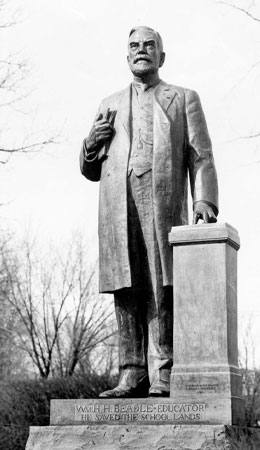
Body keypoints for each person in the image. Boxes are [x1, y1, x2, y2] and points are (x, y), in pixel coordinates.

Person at [80, 26, 218, 398]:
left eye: (149, 46)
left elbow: (199, 153)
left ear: (161, 56)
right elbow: (90, 169)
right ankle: (131, 372)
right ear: (127, 57)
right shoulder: (108, 102)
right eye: (134, 46)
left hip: (163, 203)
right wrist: (91, 143)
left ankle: (164, 370)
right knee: (127, 285)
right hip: (118, 206)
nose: (141, 51)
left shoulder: (183, 98)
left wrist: (203, 200)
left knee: (162, 283)